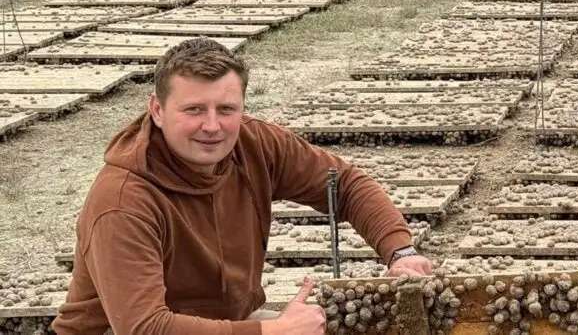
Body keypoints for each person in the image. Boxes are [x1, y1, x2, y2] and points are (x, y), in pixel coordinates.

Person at [52, 37, 434, 335]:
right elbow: (144, 327)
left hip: (231, 323)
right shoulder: (123, 201)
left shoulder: (255, 145)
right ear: (157, 110)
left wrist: (400, 252)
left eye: (226, 109)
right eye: (194, 110)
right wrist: (269, 330)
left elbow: (346, 183)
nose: (213, 126)